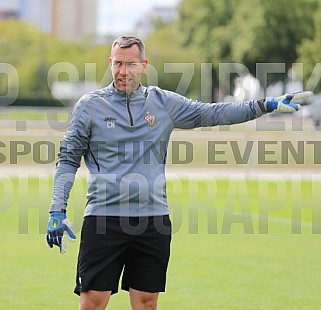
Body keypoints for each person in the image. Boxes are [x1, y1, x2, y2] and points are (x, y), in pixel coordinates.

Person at [46, 35, 306, 310]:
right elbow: (68, 158)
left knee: (147, 304)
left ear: (143, 65)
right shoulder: (90, 106)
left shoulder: (162, 102)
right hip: (103, 219)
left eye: (130, 64)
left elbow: (214, 113)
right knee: (93, 303)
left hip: (153, 220)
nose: (123, 72)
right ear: (110, 63)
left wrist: (264, 105)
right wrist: (56, 210)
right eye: (118, 64)